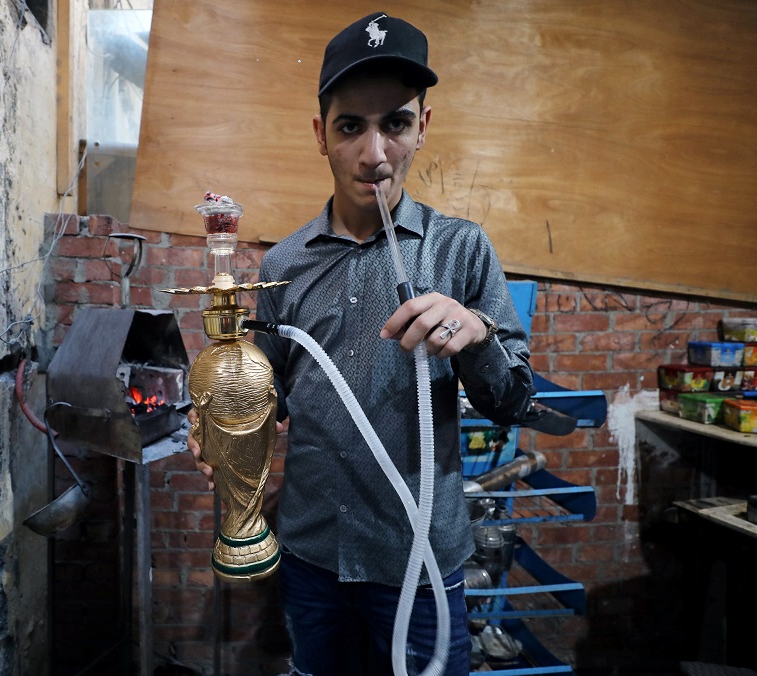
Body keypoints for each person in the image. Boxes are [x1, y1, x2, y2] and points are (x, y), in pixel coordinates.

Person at [189, 12, 535, 675]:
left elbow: (513, 401)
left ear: (423, 129)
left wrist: (476, 335)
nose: (374, 154)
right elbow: (279, 390)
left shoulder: (461, 251)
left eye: (396, 125)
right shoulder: (285, 261)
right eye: (351, 126)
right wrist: (231, 426)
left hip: (420, 560)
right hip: (314, 555)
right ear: (322, 135)